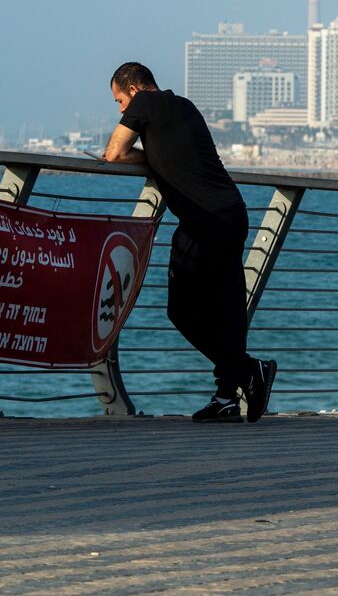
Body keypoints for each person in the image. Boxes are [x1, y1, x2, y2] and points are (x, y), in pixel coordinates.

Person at [103, 62, 277, 423]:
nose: (120, 109)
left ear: (133, 89)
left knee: (180, 310)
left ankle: (247, 370)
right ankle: (227, 397)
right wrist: (156, 157)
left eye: (119, 100)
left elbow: (114, 153)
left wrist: (146, 157)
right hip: (232, 212)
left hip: (203, 221)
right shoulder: (184, 105)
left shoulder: (144, 104)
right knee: (226, 312)